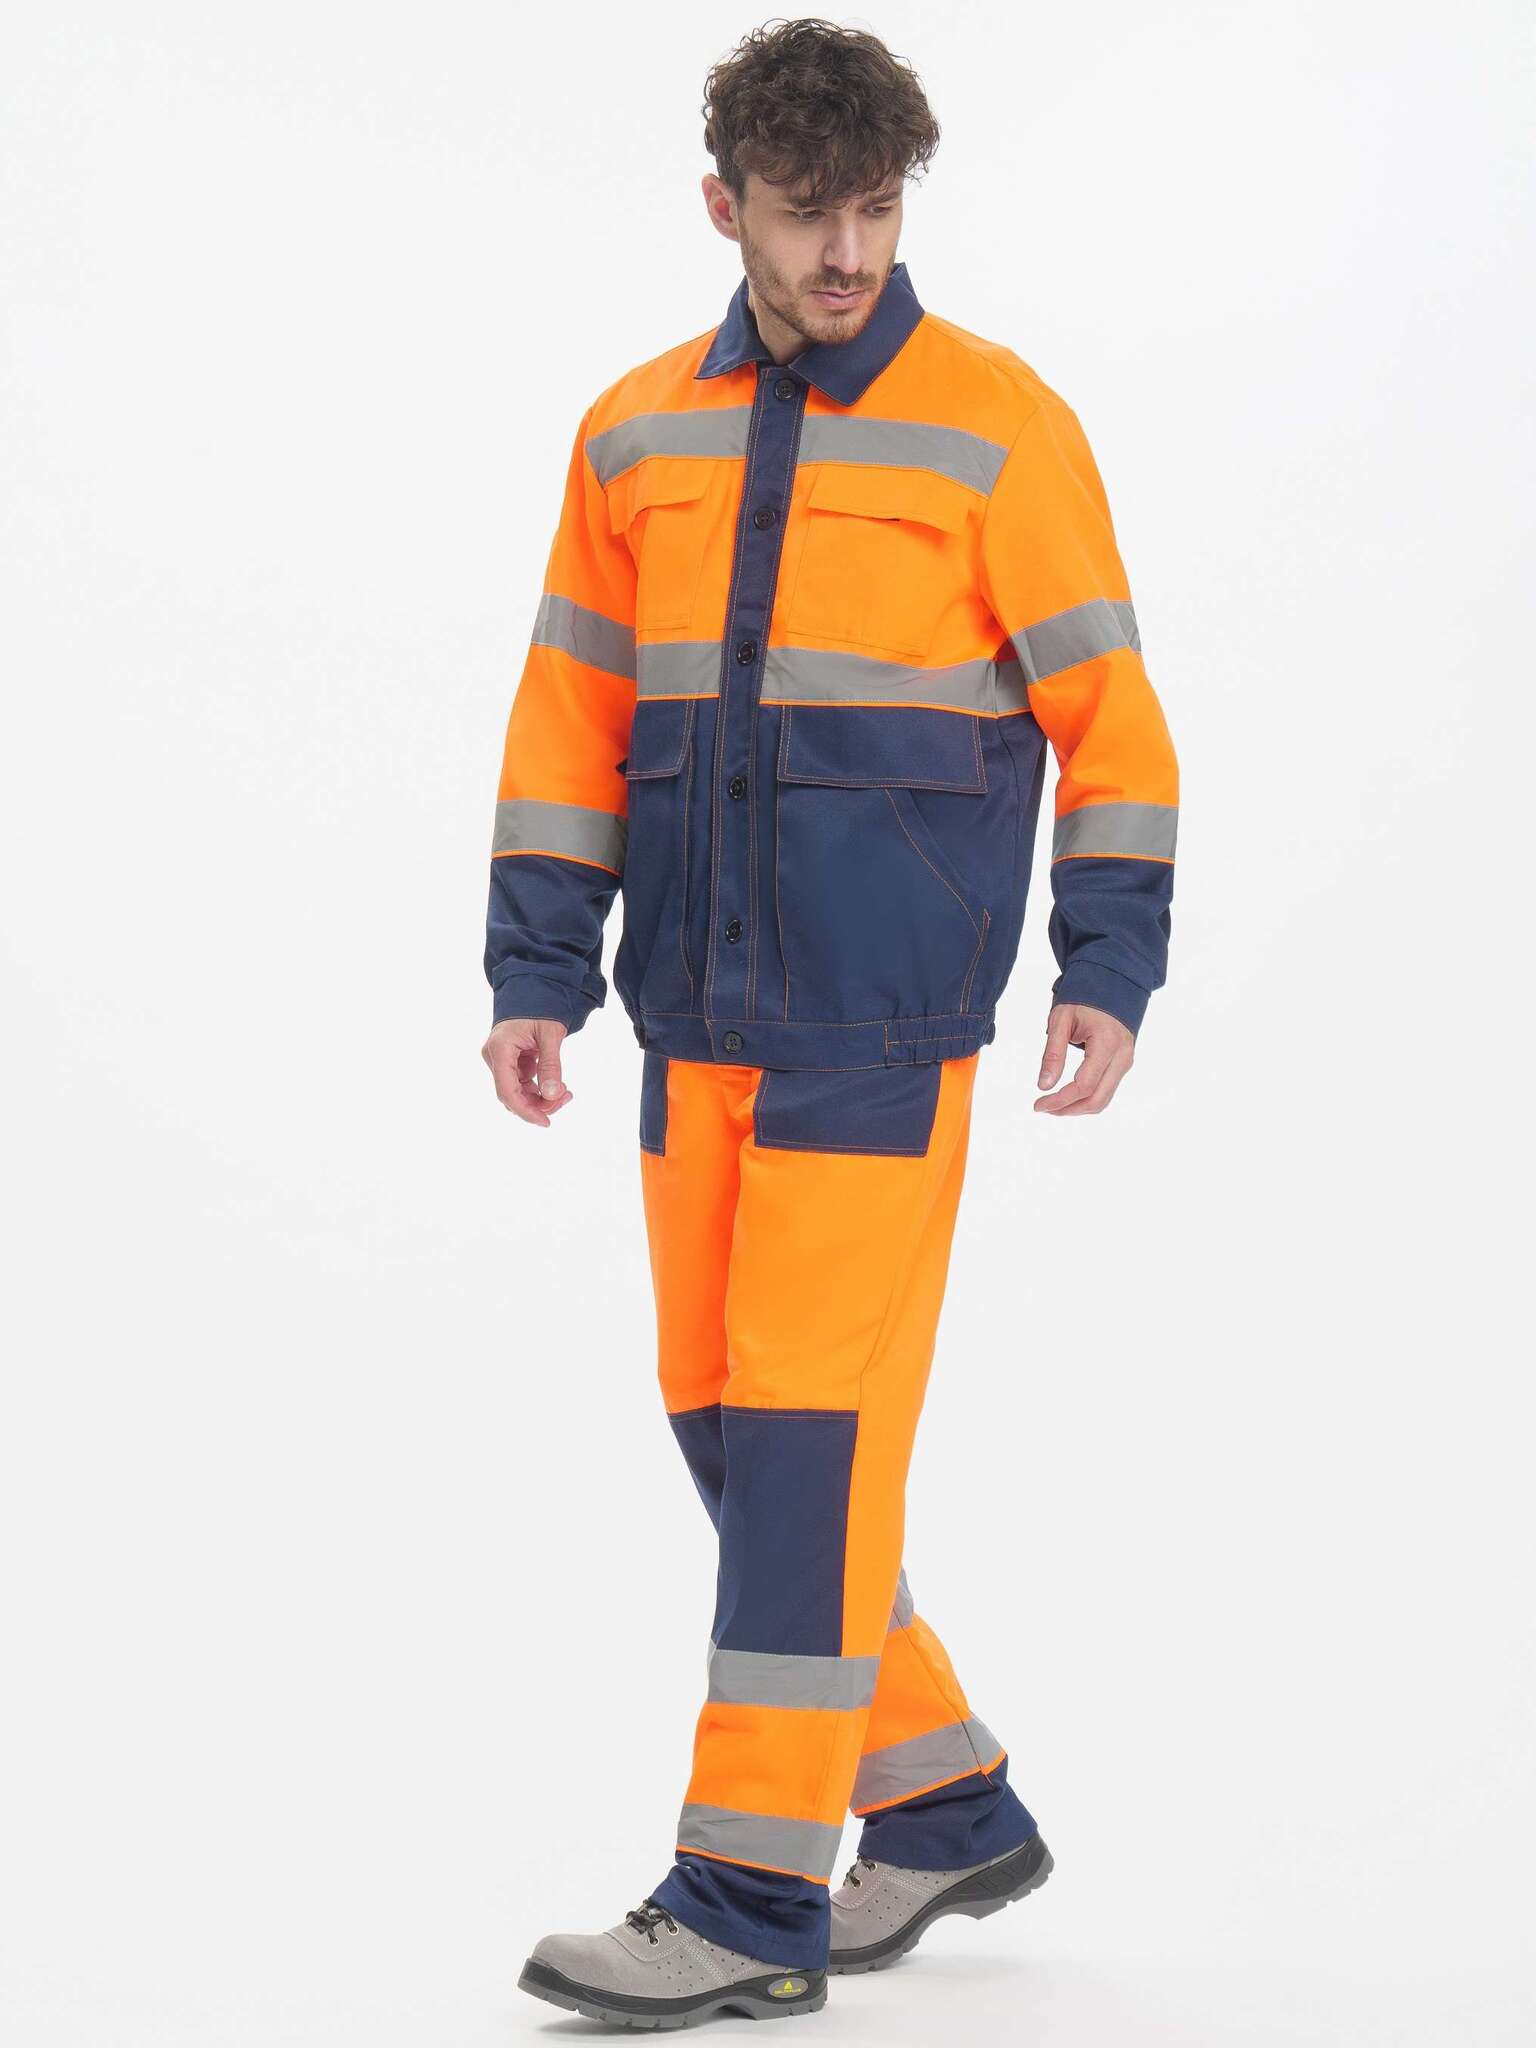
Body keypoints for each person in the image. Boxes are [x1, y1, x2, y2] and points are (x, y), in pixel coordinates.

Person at [483, 18, 1178, 2030]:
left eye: (877, 209)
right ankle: (941, 1800)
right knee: (726, 1416)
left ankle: (746, 1897)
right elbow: (571, 721)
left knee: (803, 1441)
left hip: (881, 1030)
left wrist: (1106, 961)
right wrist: (537, 968)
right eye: (810, 214)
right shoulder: (633, 435)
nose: (851, 252)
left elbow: (1116, 722)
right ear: (729, 208)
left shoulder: (998, 424)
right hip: (691, 1016)